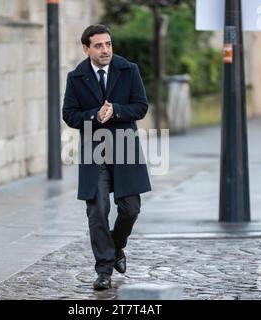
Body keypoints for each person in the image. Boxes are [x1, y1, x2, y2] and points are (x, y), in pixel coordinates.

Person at [62, 24, 151, 290]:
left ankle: (117, 245)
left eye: (108, 44)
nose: (105, 50)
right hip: (94, 149)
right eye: (99, 45)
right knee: (97, 210)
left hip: (125, 147)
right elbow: (69, 114)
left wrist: (117, 111)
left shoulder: (129, 69)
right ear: (86, 48)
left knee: (130, 209)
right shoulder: (75, 77)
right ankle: (103, 270)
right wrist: (93, 116)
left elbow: (141, 106)